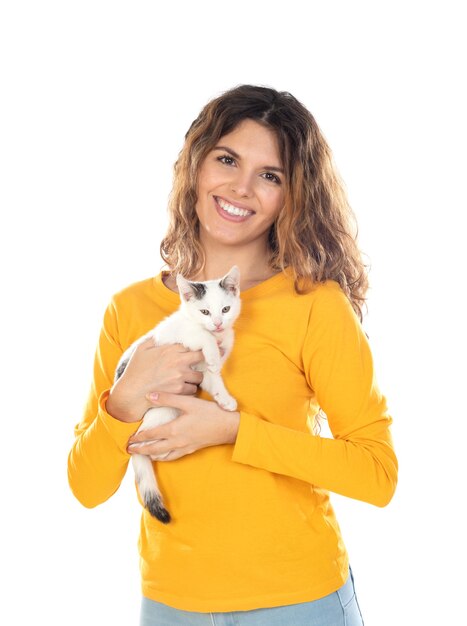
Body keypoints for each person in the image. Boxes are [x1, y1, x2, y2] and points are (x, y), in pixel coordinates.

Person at [68, 84, 398, 626]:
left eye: (271, 175)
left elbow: (377, 474)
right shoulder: (129, 311)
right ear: (196, 165)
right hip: (171, 604)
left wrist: (233, 431)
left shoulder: (315, 306)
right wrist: (123, 401)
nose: (241, 188)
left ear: (292, 196)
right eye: (227, 159)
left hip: (299, 602)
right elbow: (85, 487)